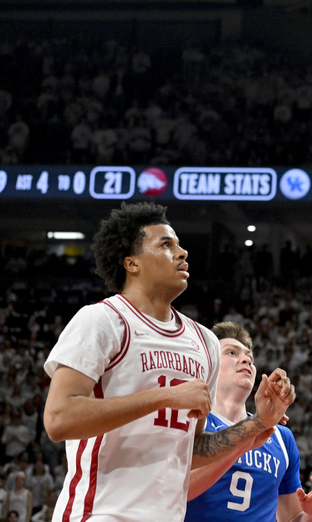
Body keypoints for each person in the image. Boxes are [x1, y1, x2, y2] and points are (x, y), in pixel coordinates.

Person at [42, 202, 295, 521]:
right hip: (100, 513)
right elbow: (58, 418)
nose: (182, 252)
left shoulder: (203, 341)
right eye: (166, 244)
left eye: (179, 244)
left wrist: (258, 423)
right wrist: (164, 397)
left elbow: (194, 448)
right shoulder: (102, 320)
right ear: (131, 262)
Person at [185, 321, 312, 521]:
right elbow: (178, 490)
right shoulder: (193, 419)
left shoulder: (280, 437)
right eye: (232, 353)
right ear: (209, 362)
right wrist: (251, 433)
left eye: (249, 357)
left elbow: (291, 517)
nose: (245, 360)